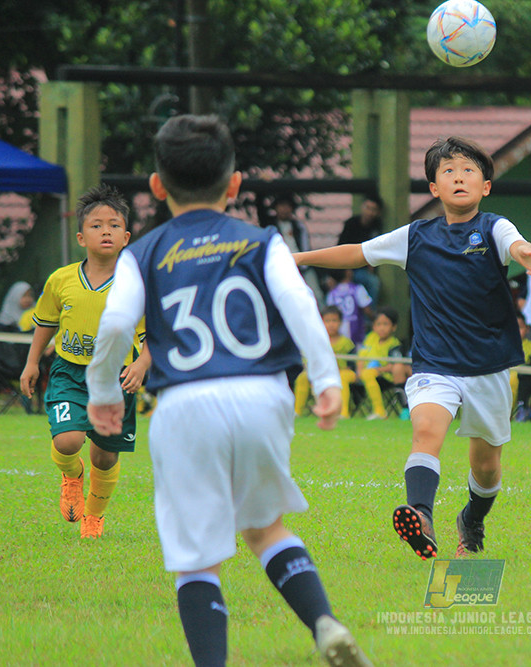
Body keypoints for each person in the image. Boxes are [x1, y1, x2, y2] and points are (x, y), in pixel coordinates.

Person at [84, 115, 371, 667]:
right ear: (235, 185)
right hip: (265, 397)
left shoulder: (139, 254)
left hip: (186, 404)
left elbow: (118, 326)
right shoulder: (263, 241)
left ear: (157, 186)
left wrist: (103, 391)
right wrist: (329, 380)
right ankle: (324, 622)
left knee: (197, 562)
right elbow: (302, 307)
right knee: (265, 529)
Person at [294, 136, 531, 560]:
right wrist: (298, 260)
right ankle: (421, 516)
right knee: (426, 431)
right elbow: (357, 253)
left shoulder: (493, 228)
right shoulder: (415, 236)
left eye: (468, 170)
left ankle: (472, 518)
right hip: (435, 363)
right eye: (448, 171)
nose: (459, 177)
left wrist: (526, 254)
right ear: (433, 189)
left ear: (485, 186)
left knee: (486, 468)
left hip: (489, 366)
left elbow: (514, 242)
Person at [18, 184, 150, 539]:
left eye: (113, 225)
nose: (105, 230)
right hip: (69, 372)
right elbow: (45, 323)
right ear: (80, 237)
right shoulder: (60, 280)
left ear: (126, 237)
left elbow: (154, 334)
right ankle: (71, 477)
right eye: (96, 225)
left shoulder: (135, 284)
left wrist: (141, 365)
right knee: (68, 442)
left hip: (116, 378)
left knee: (104, 457)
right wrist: (32, 363)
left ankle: (94, 517)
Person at [258, 193, 325, 305]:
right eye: (281, 206)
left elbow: (306, 247)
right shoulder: (270, 226)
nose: (284, 209)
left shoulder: (299, 226)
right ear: (275, 208)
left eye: (287, 206)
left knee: (316, 296)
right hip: (279, 267)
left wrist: (303, 263)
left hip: (303, 267)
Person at [295, 306, 357, 419]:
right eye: (327, 321)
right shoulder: (316, 341)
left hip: (343, 373)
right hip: (320, 374)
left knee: (342, 378)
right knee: (302, 377)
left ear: (340, 322)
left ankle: (343, 412)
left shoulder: (346, 343)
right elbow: (307, 362)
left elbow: (352, 365)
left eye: (334, 321)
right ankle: (297, 411)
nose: (331, 324)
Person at [356, 307, 409, 420]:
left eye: (385, 324)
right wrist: (359, 370)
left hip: (385, 377)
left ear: (393, 327)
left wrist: (378, 370)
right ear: (374, 326)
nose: (382, 328)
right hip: (367, 375)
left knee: (368, 374)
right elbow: (361, 356)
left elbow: (394, 365)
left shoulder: (394, 344)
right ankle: (343, 412)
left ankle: (379, 411)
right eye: (378, 324)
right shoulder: (370, 338)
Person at [337, 196, 384, 301]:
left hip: (364, 267)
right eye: (368, 208)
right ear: (362, 207)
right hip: (347, 267)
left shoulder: (377, 226)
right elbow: (341, 247)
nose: (370, 213)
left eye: (373, 210)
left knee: (372, 282)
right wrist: (346, 269)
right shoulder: (351, 224)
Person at [325, 268, 373, 346]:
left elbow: (329, 311)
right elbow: (367, 309)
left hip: (338, 330)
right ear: (348, 272)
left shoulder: (332, 293)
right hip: (356, 329)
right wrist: (374, 318)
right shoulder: (357, 289)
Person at [511, 312, 531, 420]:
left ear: (527, 329)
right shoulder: (502, 345)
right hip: (504, 379)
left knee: (523, 375)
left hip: (525, 380)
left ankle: (522, 408)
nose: (515, 331)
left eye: (519, 327)